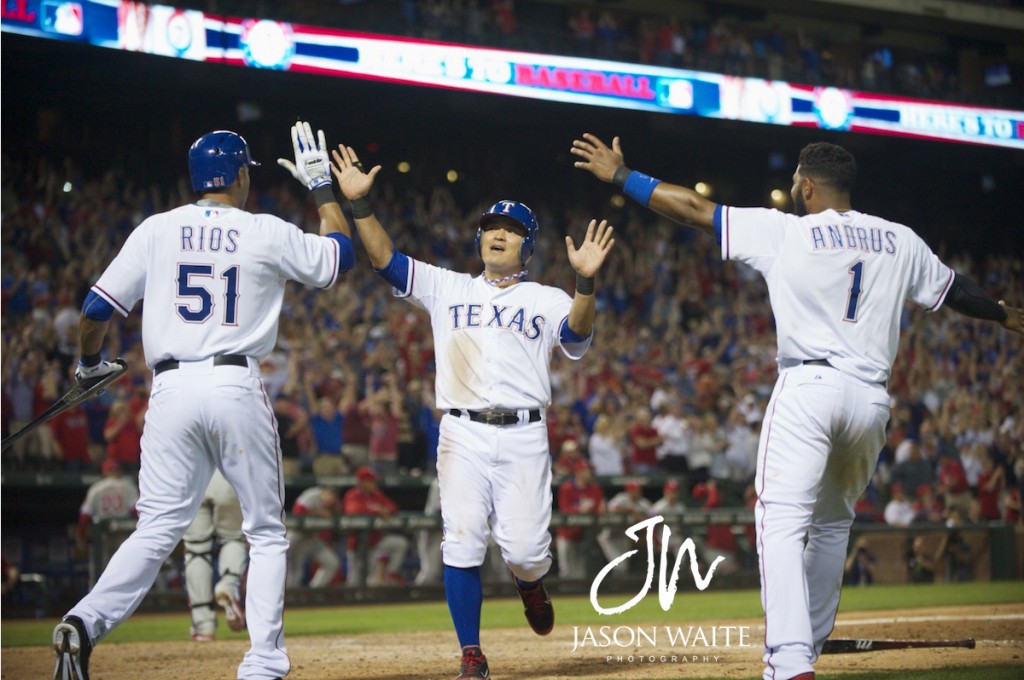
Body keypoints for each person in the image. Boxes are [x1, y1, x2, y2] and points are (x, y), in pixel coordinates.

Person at [572, 133, 1023, 680]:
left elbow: (693, 207)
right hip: (871, 400)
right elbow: (956, 292)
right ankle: (806, 644)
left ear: (808, 186)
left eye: (794, 185)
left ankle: (789, 661)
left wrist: (622, 177)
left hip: (811, 387)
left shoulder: (788, 230)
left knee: (781, 519)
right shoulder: (898, 238)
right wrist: (1001, 314)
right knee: (832, 525)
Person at [51, 121, 354, 680]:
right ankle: (262, 660)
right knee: (264, 530)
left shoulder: (156, 230)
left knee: (157, 526)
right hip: (234, 382)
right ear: (239, 176)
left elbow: (96, 311)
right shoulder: (264, 229)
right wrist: (320, 188)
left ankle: (84, 621)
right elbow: (340, 257)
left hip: (170, 389)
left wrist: (89, 366)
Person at [330, 143, 615, 679]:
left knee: (528, 552)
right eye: (490, 226)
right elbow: (387, 262)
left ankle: (529, 582)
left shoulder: (547, 297)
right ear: (479, 237)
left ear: (527, 247)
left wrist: (586, 282)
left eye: (509, 228)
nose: (497, 233)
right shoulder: (448, 286)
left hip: (525, 435)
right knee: (461, 539)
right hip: (461, 432)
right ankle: (471, 654)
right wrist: (361, 207)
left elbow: (575, 333)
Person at [183, 469, 247, 641]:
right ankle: (228, 584)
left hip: (191, 477)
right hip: (227, 475)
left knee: (196, 551)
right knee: (233, 539)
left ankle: (203, 625)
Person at [341, 466, 409, 586]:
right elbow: (354, 511)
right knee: (355, 581)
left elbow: (393, 507)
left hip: (376, 542)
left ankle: (391, 573)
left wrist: (383, 510)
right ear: (362, 482)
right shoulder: (352, 495)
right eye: (370, 481)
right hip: (358, 546)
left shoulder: (376, 495)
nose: (374, 483)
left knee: (400, 543)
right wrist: (377, 510)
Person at [75, 459, 139, 587]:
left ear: (104, 472)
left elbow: (84, 517)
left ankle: (96, 603)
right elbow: (136, 512)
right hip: (122, 536)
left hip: (102, 538)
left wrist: (81, 537)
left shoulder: (96, 488)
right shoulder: (127, 485)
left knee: (99, 575)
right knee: (125, 572)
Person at [556, 459, 606, 580]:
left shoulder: (595, 489)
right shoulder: (567, 488)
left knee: (581, 571)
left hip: (584, 536)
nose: (589, 473)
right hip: (566, 534)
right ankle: (566, 596)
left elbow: (600, 508)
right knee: (566, 569)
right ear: (578, 472)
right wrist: (579, 510)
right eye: (586, 471)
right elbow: (564, 509)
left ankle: (580, 595)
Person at [287, 486, 342, 589]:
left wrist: (333, 510)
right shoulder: (312, 495)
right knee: (295, 572)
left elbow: (338, 517)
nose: (330, 501)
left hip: (313, 538)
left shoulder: (334, 505)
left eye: (333, 498)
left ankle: (314, 591)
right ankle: (290, 598)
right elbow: (298, 513)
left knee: (332, 563)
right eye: (329, 496)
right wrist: (319, 513)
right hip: (298, 536)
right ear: (325, 492)